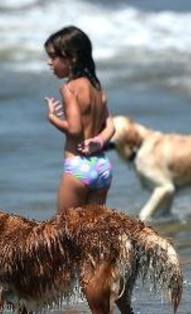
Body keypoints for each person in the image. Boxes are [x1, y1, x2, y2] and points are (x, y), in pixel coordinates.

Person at [43, 25, 115, 214]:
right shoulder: (97, 88)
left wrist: (52, 118)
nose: (49, 62)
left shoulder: (70, 88)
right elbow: (111, 127)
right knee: (92, 234)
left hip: (79, 168)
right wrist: (97, 142)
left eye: (53, 57)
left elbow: (74, 129)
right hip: (102, 166)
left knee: (63, 234)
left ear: (72, 58)